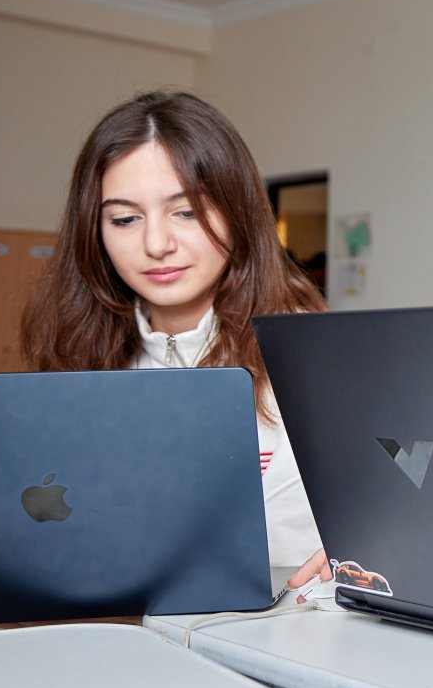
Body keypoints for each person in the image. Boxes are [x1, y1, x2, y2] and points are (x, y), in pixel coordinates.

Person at [21, 90, 325, 569]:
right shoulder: (81, 353)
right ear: (93, 231)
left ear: (239, 211)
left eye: (186, 212)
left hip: (282, 630)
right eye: (124, 218)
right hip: (124, 631)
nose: (156, 243)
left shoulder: (313, 356)